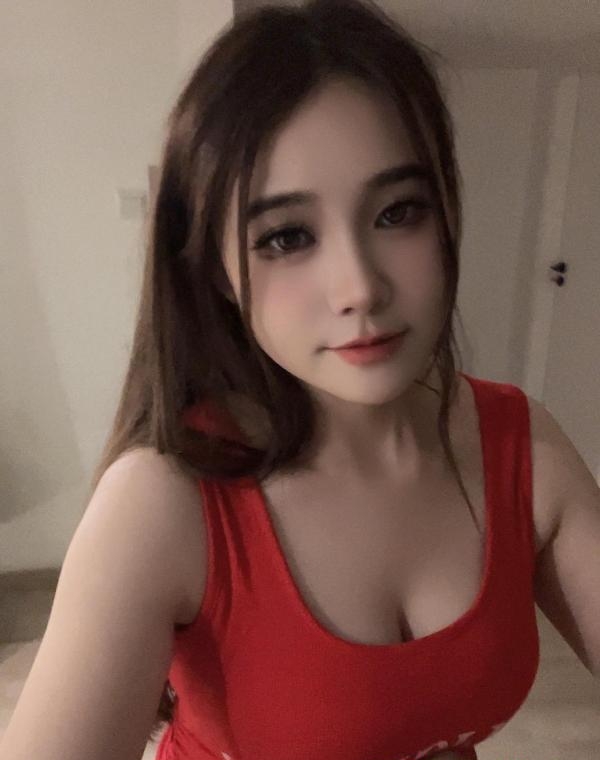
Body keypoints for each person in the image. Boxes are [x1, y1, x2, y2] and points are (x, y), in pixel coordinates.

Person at [3, 1, 599, 759]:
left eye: (398, 212)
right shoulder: (164, 503)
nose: (360, 287)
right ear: (215, 271)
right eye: (287, 236)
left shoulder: (524, 449)